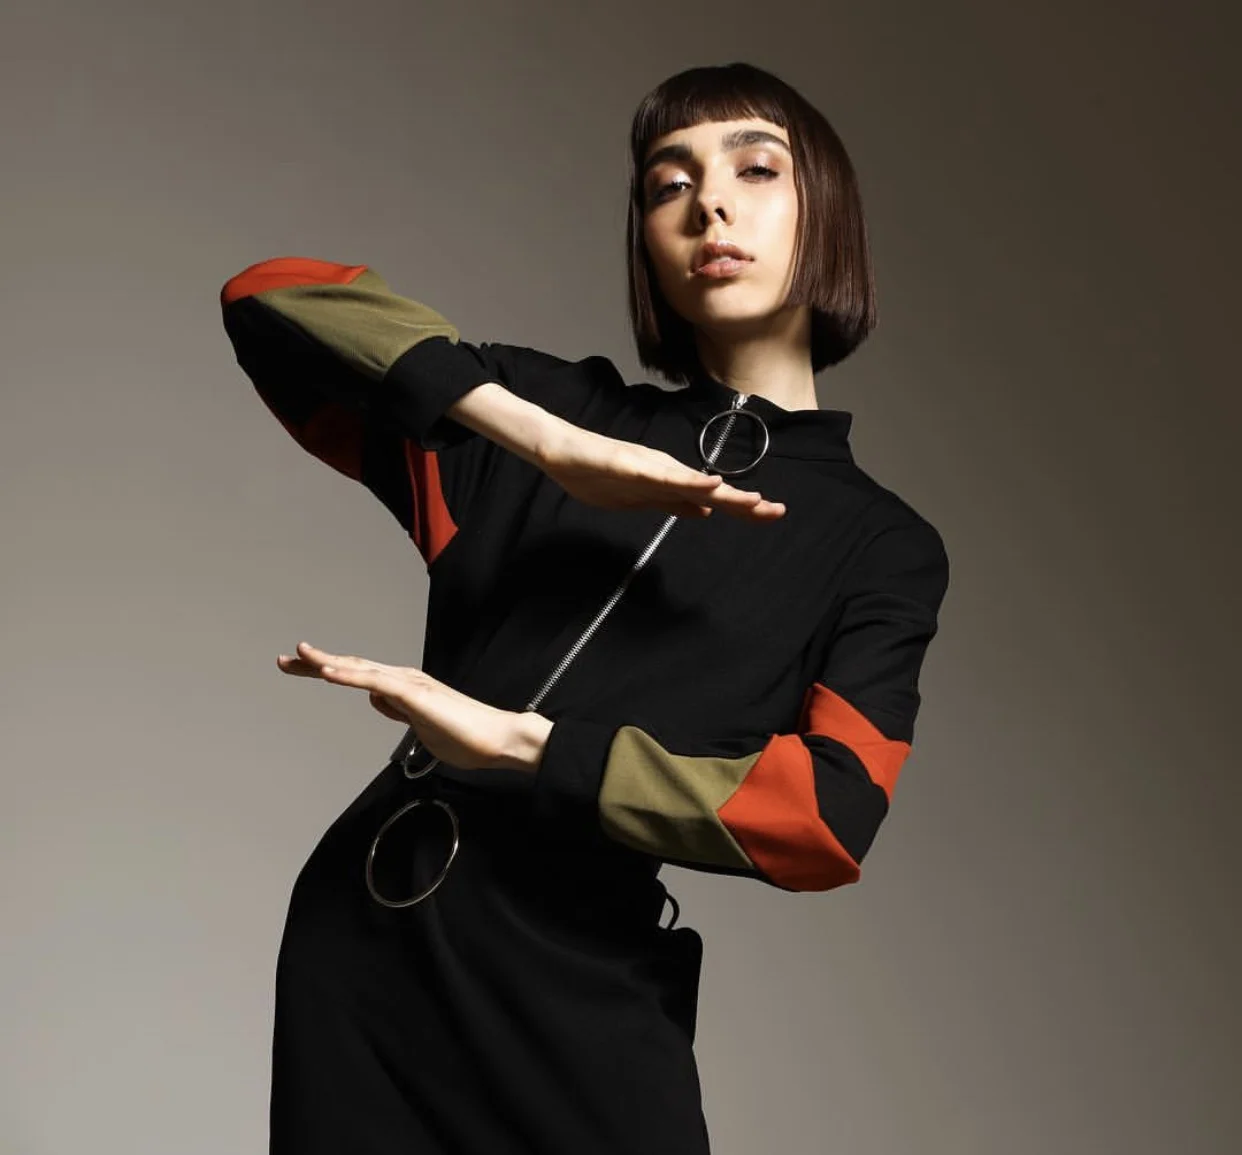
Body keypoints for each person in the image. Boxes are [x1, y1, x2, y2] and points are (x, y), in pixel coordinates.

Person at [219, 60, 950, 1155]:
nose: (710, 203)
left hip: (579, 975)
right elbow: (270, 298)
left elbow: (827, 820)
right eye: (669, 184)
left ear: (827, 214)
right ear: (648, 240)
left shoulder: (879, 544)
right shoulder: (545, 414)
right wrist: (553, 444)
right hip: (365, 936)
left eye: (756, 169)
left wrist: (530, 747)